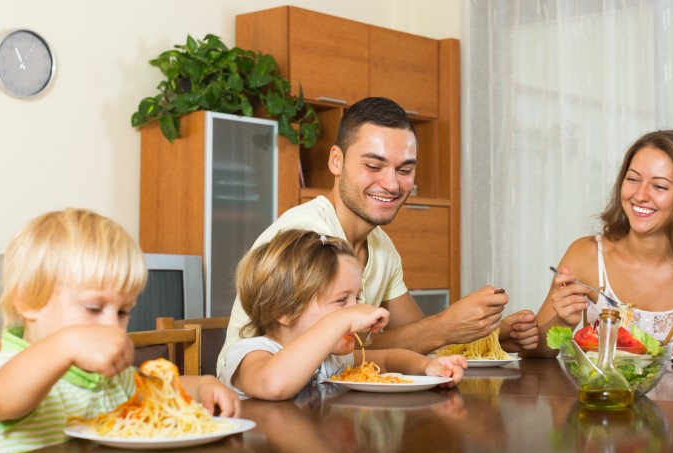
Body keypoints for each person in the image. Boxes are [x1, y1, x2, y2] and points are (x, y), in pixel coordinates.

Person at [218, 97, 538, 375]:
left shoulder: (382, 246)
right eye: (374, 165)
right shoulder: (306, 240)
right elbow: (327, 351)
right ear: (336, 161)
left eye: (404, 170)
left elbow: (417, 334)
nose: (393, 184)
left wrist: (485, 336)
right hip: (262, 411)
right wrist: (445, 328)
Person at [0, 209, 240, 453]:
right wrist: (66, 345)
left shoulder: (108, 378)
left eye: (123, 311)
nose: (113, 325)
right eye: (93, 308)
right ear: (28, 300)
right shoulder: (6, 368)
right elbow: (1, 401)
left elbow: (162, 389)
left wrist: (203, 386)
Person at [526, 130, 673, 363]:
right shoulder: (585, 255)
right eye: (633, 179)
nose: (639, 195)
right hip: (605, 400)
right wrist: (561, 320)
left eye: (659, 186)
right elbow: (532, 351)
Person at [219, 228, 467, 400]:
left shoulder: (330, 358)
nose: (355, 310)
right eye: (340, 301)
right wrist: (341, 321)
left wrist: (428, 368)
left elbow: (391, 359)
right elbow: (274, 385)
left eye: (357, 298)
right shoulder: (250, 354)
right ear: (285, 310)